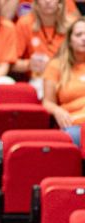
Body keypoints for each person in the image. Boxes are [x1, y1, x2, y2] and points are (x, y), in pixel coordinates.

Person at [43, 17, 85, 146]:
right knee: (72, 136)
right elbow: (47, 102)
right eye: (79, 35)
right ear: (69, 41)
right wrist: (57, 110)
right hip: (75, 124)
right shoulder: (56, 66)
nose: (84, 38)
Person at [15, 0, 70, 96]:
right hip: (38, 78)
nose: (48, 1)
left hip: (66, 76)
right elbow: (11, 64)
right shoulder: (25, 23)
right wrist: (29, 65)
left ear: (60, 3)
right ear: (36, 3)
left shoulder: (71, 25)